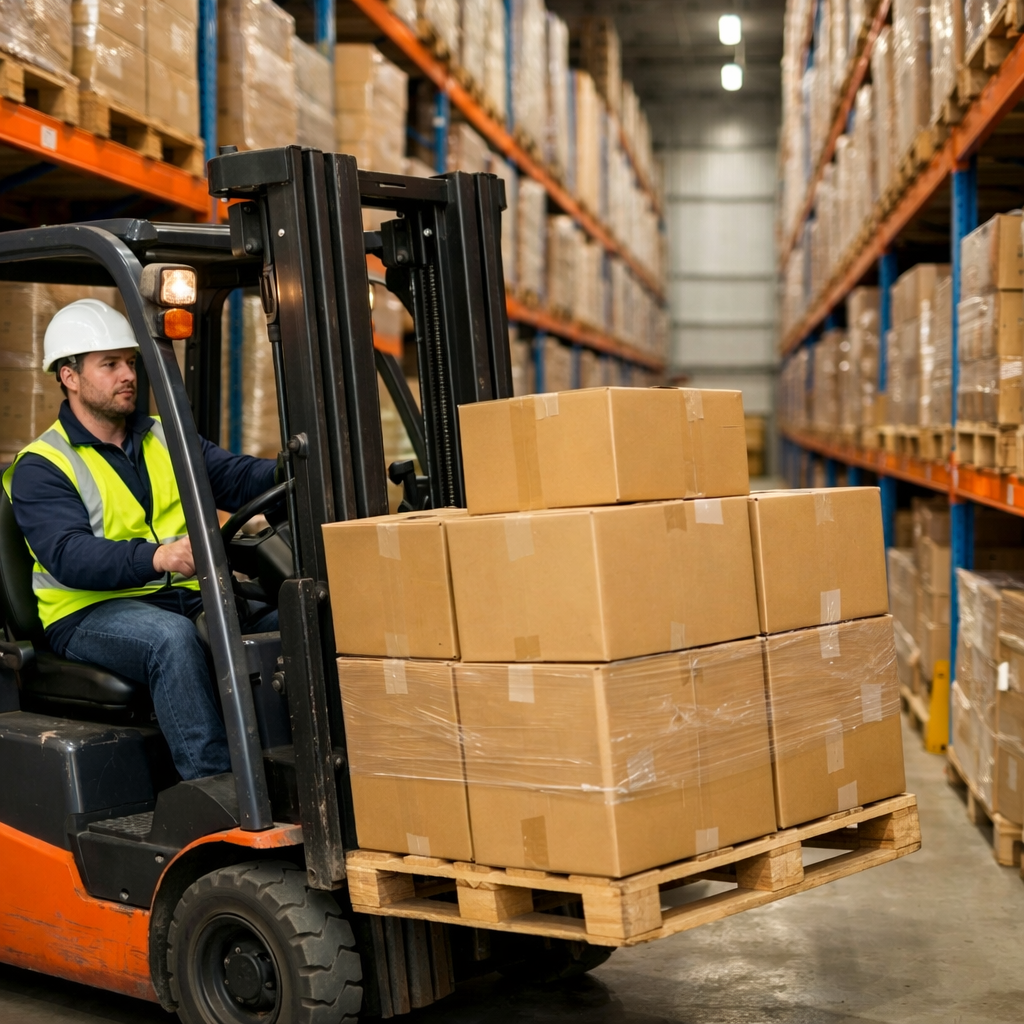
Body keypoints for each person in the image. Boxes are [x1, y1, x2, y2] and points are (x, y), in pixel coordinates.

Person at [3, 298, 278, 781]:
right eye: (109, 365)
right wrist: (158, 556)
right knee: (168, 640)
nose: (127, 374)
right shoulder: (42, 465)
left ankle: (289, 770)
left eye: (129, 363)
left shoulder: (162, 437)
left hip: (179, 594)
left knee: (285, 616)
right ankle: (214, 788)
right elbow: (70, 555)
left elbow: (236, 477)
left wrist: (299, 467)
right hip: (87, 613)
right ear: (69, 376)